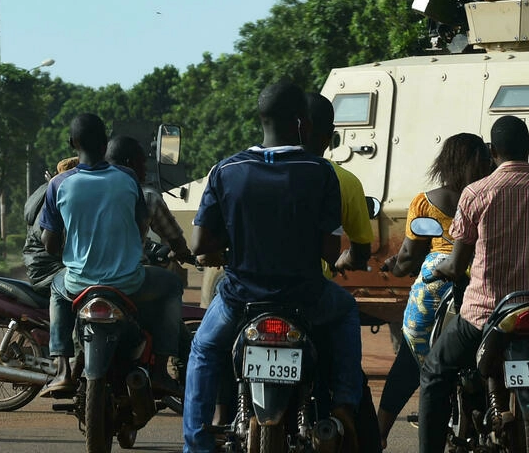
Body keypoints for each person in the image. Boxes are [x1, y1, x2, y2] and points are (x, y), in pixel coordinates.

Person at [184, 82, 363, 453]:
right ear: (304, 125)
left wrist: (235, 241)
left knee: (202, 350)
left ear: (261, 119)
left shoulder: (226, 169)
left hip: (239, 299)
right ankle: (345, 407)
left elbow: (201, 244)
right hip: (306, 298)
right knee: (346, 311)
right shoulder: (320, 172)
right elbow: (330, 250)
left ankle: (196, 445)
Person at [418, 115, 529, 453]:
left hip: (485, 314)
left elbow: (458, 261)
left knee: (435, 372)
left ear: (492, 151)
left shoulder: (476, 194)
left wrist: (445, 269)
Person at [38, 113, 183, 398]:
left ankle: (62, 369)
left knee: (57, 289)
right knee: (172, 286)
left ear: (71, 143)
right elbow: (140, 223)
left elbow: (50, 245)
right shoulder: (128, 178)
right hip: (130, 283)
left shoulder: (58, 184)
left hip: (78, 284)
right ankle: (161, 371)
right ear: (105, 143)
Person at [377, 133, 492, 449]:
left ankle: (380, 434)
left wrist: (396, 266)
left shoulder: (426, 203)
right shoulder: (489, 197)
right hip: (482, 288)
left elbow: (408, 257)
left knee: (410, 359)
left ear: (446, 163)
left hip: (437, 288)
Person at [105, 135, 193, 285]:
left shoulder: (84, 192)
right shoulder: (148, 197)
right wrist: (181, 252)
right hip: (131, 279)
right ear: (130, 164)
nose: (146, 168)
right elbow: (175, 240)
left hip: (86, 279)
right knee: (173, 285)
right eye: (142, 163)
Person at [303, 93, 374, 276]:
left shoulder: (241, 173)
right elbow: (361, 252)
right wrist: (346, 258)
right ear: (331, 136)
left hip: (249, 290)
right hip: (311, 291)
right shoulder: (345, 181)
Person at [22, 157, 78, 293]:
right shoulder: (57, 198)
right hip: (49, 271)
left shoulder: (43, 193)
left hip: (37, 267)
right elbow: (56, 246)